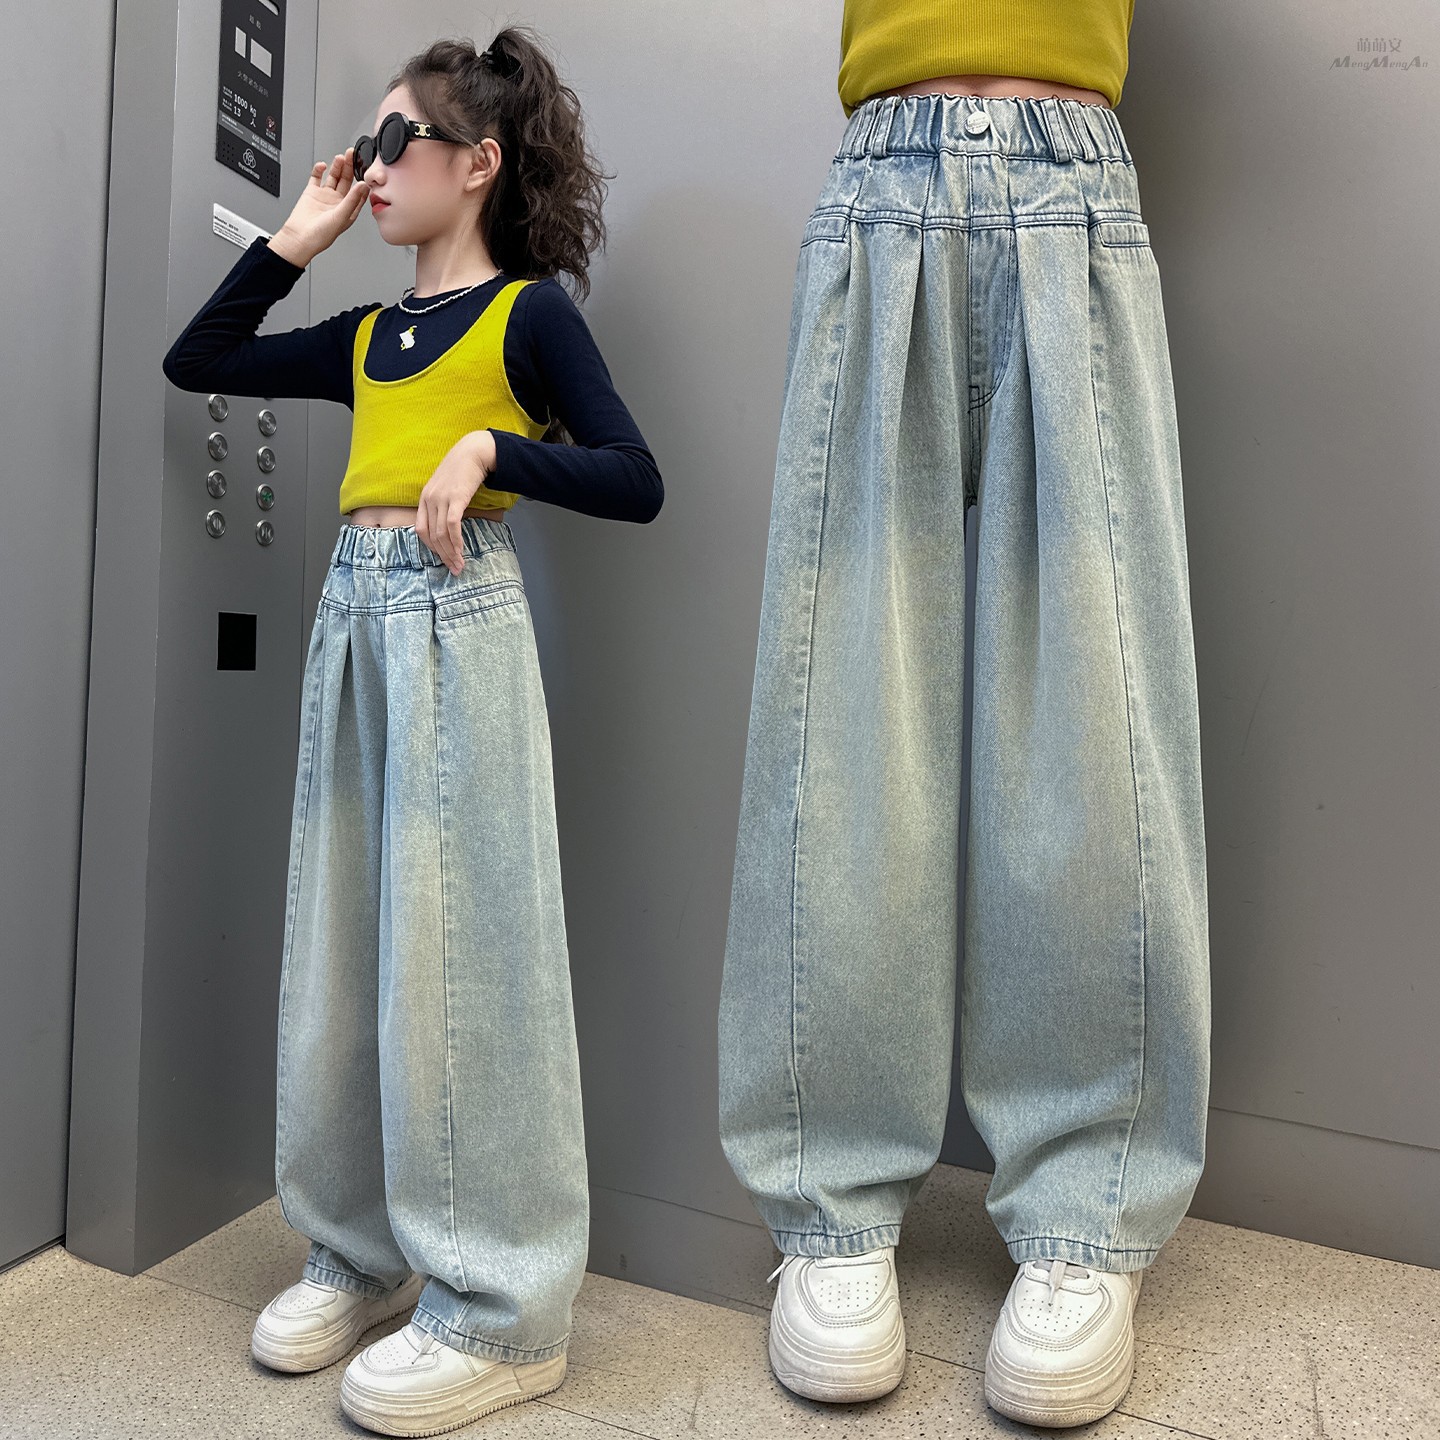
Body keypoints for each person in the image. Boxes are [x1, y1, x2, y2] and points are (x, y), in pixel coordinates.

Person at [716, 0, 1209, 1428]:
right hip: (882, 186)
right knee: (840, 715)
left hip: (1074, 184)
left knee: (1098, 722)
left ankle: (1087, 1205)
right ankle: (829, 1198)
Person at [163, 27, 661, 1438]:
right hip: (352, 624)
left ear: (478, 160)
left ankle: (504, 1312)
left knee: (469, 960)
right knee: (343, 941)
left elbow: (636, 477)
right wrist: (300, 236)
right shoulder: (368, 337)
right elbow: (197, 358)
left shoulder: (530, 318)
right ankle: (356, 1250)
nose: (371, 166)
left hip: (458, 623)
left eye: (393, 141)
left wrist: (498, 448)